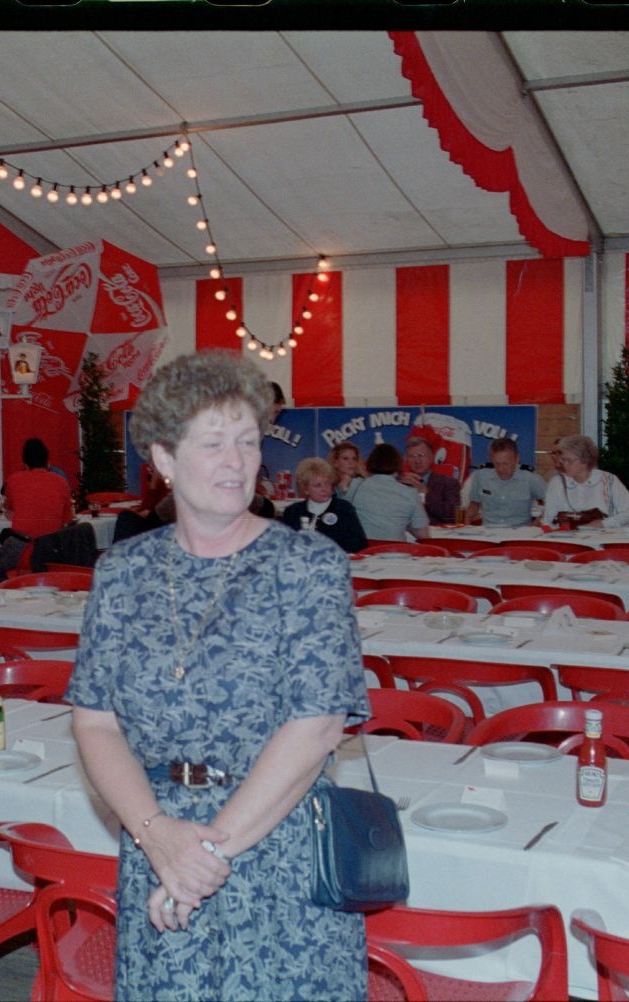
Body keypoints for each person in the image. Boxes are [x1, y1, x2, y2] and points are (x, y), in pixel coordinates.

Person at [67, 351, 369, 1000]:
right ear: (165, 460)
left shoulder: (309, 566)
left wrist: (207, 856)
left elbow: (316, 726)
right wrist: (157, 836)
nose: (235, 462)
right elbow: (94, 720)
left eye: (247, 441)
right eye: (212, 444)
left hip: (276, 847)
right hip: (158, 840)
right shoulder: (122, 572)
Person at [541, 434, 629, 528]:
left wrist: (604, 524)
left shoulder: (609, 480)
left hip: (604, 538)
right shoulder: (557, 483)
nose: (564, 464)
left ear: (585, 460)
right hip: (568, 540)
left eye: (569, 461)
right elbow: (548, 519)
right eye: (563, 460)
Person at [346, 443, 432, 542]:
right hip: (394, 551)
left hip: (363, 551)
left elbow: (346, 519)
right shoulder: (410, 493)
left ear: (370, 462)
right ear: (398, 464)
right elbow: (423, 535)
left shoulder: (356, 485)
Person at [279, 457, 367, 553]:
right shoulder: (292, 512)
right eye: (318, 485)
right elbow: (283, 545)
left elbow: (359, 543)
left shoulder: (344, 509)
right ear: (305, 489)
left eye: (327, 483)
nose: (324, 489)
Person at [462, 438, 547, 527]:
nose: (501, 469)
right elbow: (474, 505)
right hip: (488, 533)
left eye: (506, 464)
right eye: (497, 464)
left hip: (518, 534)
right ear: (491, 459)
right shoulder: (481, 476)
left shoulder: (532, 479)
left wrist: (535, 525)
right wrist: (466, 525)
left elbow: (552, 505)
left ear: (517, 458)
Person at [2, 438, 74, 540]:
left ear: (25, 465)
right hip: (51, 547)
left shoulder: (13, 480)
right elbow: (67, 520)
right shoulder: (62, 482)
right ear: (47, 462)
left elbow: (9, 512)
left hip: (23, 546)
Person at [399, 436, 461, 523]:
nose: (417, 461)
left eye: (421, 455)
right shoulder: (400, 483)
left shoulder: (449, 483)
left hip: (436, 534)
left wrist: (425, 494)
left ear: (431, 457)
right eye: (411, 456)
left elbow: (451, 516)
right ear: (407, 460)